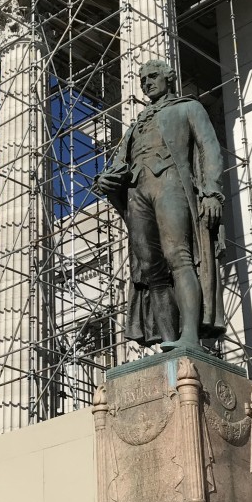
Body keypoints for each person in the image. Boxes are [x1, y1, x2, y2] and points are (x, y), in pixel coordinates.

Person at [94, 58, 226, 351]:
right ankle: (169, 340)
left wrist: (211, 192)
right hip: (137, 192)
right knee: (150, 268)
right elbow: (119, 164)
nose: (147, 83)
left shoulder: (187, 107)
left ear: (169, 77)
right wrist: (107, 180)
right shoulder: (136, 126)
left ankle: (189, 335)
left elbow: (209, 148)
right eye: (143, 80)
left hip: (171, 183)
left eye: (153, 76)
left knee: (178, 256)